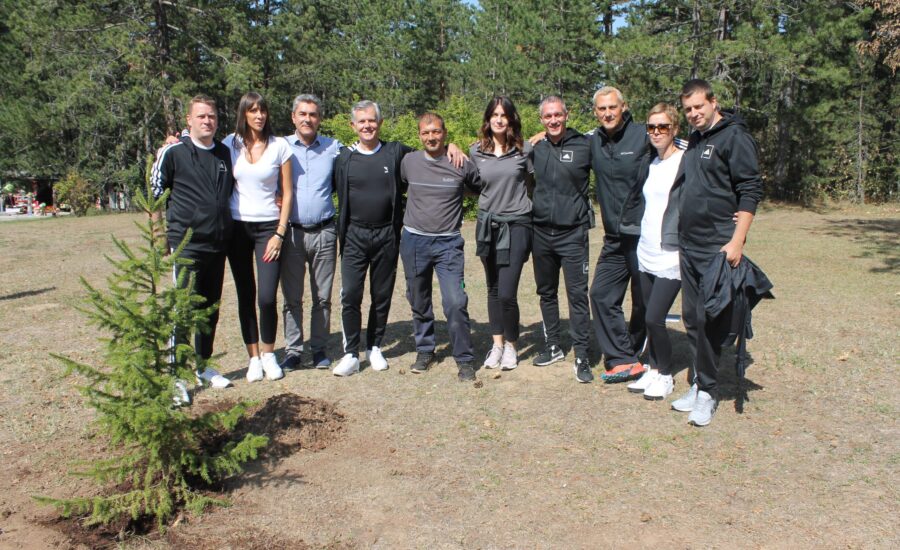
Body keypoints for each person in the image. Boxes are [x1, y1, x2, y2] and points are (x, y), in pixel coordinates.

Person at [331, 100, 466, 377]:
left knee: (381, 295)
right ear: (353, 126)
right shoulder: (344, 158)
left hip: (386, 235)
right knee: (351, 294)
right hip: (354, 235)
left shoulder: (395, 153)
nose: (367, 126)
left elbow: (430, 152)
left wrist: (452, 146)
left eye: (372, 120)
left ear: (380, 123)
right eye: (362, 121)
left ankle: (375, 347)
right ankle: (351, 353)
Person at [669, 79, 763, 426]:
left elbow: (750, 189)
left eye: (699, 106)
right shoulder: (695, 138)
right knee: (692, 319)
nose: (694, 113)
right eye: (688, 109)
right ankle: (698, 383)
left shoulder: (734, 137)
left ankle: (708, 393)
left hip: (717, 246)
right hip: (689, 244)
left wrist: (737, 241)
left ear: (713, 102)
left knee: (710, 319)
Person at [150, 94, 235, 394]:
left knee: (209, 310)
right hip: (186, 244)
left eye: (211, 116)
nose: (207, 121)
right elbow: (154, 191)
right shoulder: (174, 152)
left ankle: (203, 367)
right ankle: (176, 376)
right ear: (189, 120)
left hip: (217, 244)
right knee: (183, 310)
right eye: (201, 116)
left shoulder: (224, 153)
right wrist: (160, 235)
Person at [399, 112, 481, 381]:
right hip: (414, 241)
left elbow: (481, 187)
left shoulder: (460, 162)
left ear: (444, 133)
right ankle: (425, 350)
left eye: (436, 131)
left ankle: (464, 359)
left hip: (448, 244)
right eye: (425, 132)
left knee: (455, 301)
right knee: (418, 298)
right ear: (419, 135)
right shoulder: (409, 162)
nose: (431, 137)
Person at [223, 92, 293, 383]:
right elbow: (203, 148)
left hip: (268, 229)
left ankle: (268, 353)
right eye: (252, 111)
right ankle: (253, 358)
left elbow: (287, 192)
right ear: (244, 114)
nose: (259, 116)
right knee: (245, 294)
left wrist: (280, 232)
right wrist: (176, 140)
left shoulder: (279, 146)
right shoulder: (230, 144)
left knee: (266, 296)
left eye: (262, 110)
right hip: (238, 228)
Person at [622, 102, 685, 400]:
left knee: (655, 318)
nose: (656, 131)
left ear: (675, 129)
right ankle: (654, 369)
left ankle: (666, 374)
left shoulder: (685, 161)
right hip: (646, 249)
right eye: (651, 126)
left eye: (663, 126)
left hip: (671, 253)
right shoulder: (651, 161)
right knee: (647, 312)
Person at [587, 86, 650, 383]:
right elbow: (562, 140)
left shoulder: (644, 134)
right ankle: (623, 358)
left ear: (624, 107)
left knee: (644, 300)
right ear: (595, 112)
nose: (608, 113)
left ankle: (637, 351)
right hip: (614, 237)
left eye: (612, 107)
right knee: (601, 294)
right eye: (602, 109)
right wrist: (537, 138)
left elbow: (682, 151)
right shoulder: (593, 140)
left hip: (644, 234)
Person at [530, 96, 594, 383]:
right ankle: (553, 346)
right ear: (541, 120)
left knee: (577, 296)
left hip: (573, 233)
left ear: (566, 115)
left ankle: (582, 355)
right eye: (548, 116)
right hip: (541, 232)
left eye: (558, 115)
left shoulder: (585, 145)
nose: (553, 120)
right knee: (546, 292)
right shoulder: (535, 147)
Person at [470, 96, 534, 371]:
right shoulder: (475, 151)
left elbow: (532, 183)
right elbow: (470, 183)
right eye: (494, 115)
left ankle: (511, 345)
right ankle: (497, 345)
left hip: (517, 225)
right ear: (488, 119)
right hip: (487, 225)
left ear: (511, 119)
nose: (499, 119)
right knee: (493, 288)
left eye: (503, 115)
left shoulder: (525, 149)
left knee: (507, 292)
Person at [278, 94, 341, 372]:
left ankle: (319, 349)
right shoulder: (279, 146)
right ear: (293, 117)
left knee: (322, 297)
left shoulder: (333, 147)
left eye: (313, 114)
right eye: (302, 114)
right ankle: (293, 351)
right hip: (291, 234)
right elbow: (242, 144)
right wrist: (180, 138)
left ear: (319, 119)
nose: (308, 119)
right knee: (292, 298)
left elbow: (366, 150)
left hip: (325, 232)